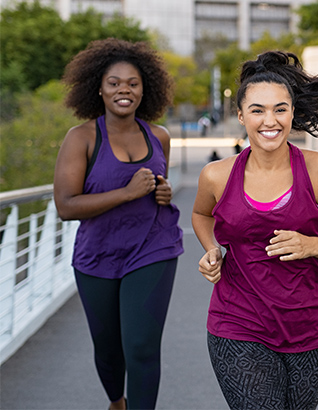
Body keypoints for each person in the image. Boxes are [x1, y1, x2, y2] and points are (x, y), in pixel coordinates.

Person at [192, 51, 318, 410]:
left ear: (292, 113)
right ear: (240, 115)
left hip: (311, 325)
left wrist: (311, 245)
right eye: (257, 110)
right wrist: (212, 249)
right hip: (238, 321)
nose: (269, 120)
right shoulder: (217, 175)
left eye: (280, 109)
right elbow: (201, 214)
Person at [53, 38, 183, 410]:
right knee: (108, 350)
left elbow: (158, 186)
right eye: (114, 82)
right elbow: (65, 205)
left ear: (146, 89)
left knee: (142, 346)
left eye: (133, 83)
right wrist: (126, 193)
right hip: (98, 255)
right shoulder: (81, 139)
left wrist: (163, 192)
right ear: (98, 87)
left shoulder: (158, 136)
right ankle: (117, 401)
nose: (123, 89)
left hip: (153, 249)